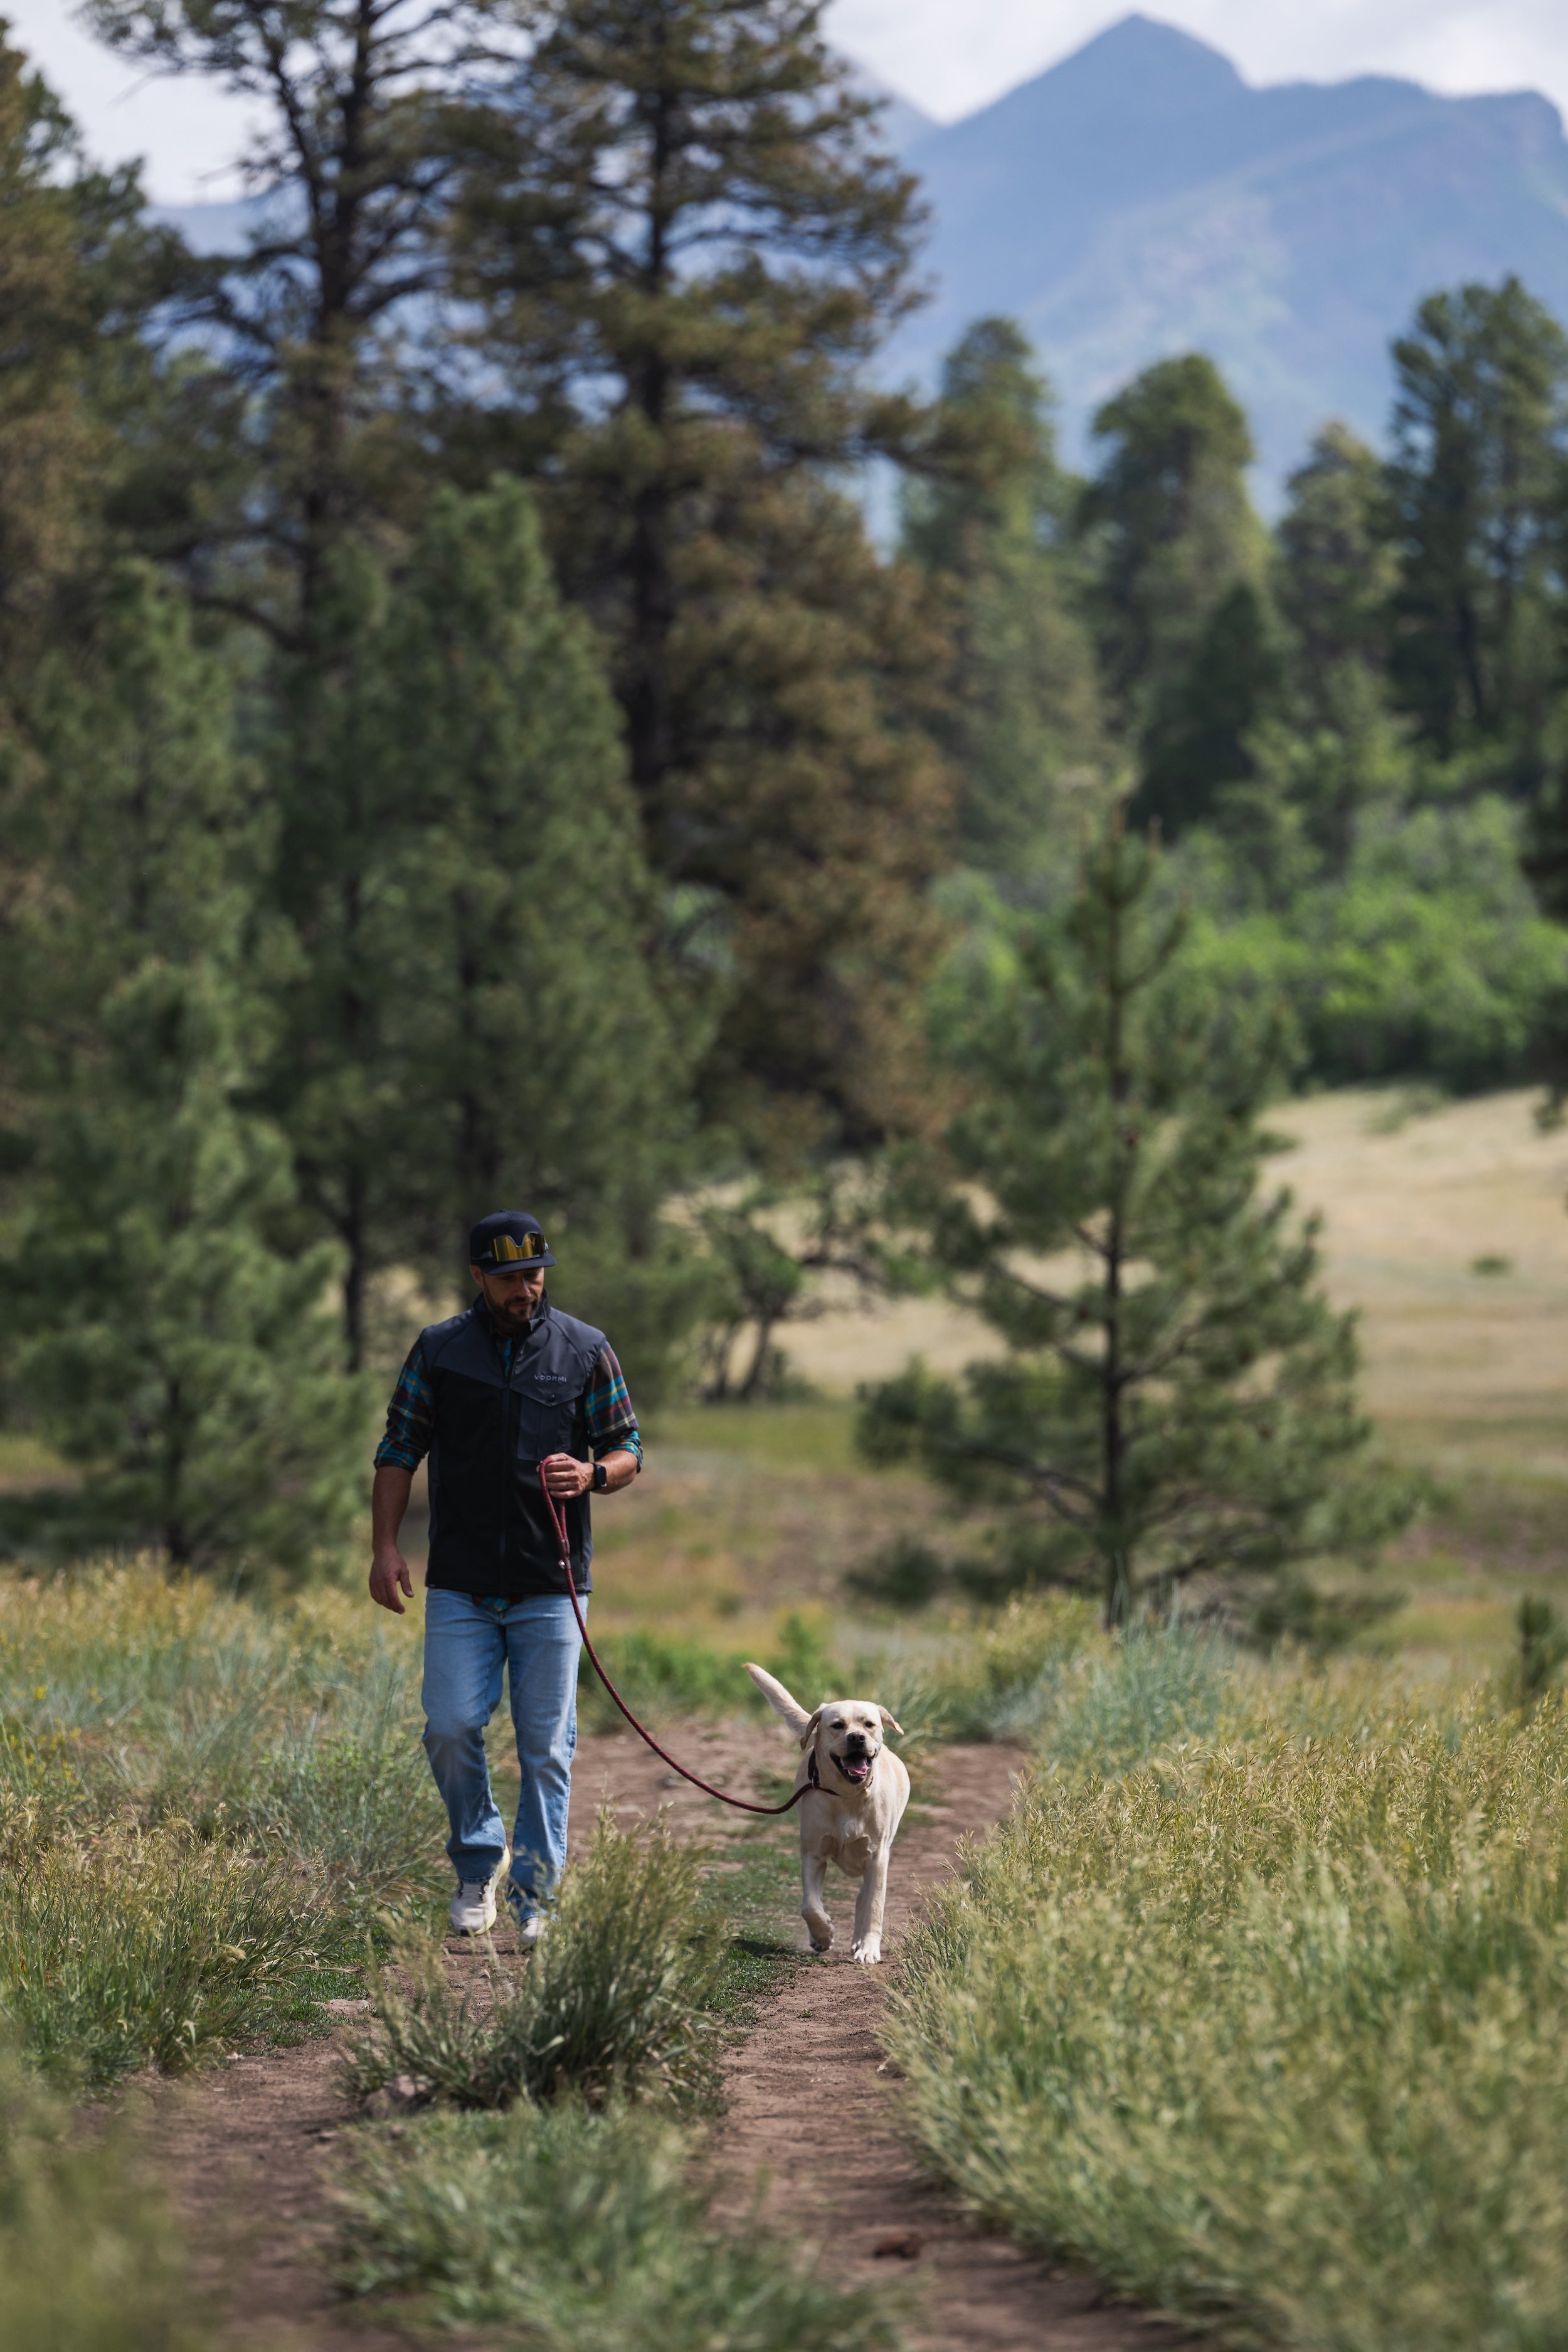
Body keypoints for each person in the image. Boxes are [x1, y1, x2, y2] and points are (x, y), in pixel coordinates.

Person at [369, 1210, 641, 1938]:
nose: (529, 1288)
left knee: (546, 1746)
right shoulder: (440, 1351)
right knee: (451, 1726)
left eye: (537, 1273)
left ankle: (536, 1898)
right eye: (514, 1276)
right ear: (478, 1277)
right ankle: (477, 1862)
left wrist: (591, 1474)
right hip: (458, 1581)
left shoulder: (585, 1349)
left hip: (551, 1585)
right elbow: (398, 1450)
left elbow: (628, 1449)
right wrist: (385, 1548)